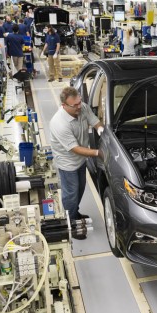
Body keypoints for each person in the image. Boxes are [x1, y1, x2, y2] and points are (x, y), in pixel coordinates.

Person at [50, 87, 103, 237]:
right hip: (68, 164)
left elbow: (95, 121)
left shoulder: (82, 107)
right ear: (64, 105)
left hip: (81, 160)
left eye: (79, 102)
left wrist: (102, 132)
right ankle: (70, 224)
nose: (80, 106)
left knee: (80, 189)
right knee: (71, 193)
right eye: (75, 105)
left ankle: (75, 213)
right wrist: (97, 153)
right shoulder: (59, 123)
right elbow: (75, 149)